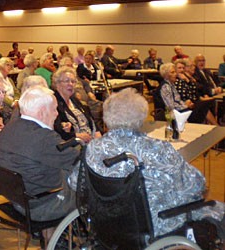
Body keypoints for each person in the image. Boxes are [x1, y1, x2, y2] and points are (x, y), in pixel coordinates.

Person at [69, 87, 225, 239]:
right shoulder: (158, 148)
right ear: (141, 117)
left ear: (106, 116)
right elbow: (196, 184)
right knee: (217, 209)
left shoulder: (92, 148)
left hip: (106, 225)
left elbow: (74, 182)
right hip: (154, 226)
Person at [0, 86, 78, 222]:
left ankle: (55, 238)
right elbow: (76, 159)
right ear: (42, 112)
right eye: (54, 109)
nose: (57, 114)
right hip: (42, 205)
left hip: (18, 200)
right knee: (93, 192)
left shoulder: (9, 128)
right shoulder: (44, 137)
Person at [53, 67, 101, 142]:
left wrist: (98, 134)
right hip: (76, 145)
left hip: (92, 141)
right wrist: (77, 136)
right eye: (67, 81)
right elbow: (58, 131)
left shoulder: (74, 100)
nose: (70, 84)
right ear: (57, 84)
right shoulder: (54, 104)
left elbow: (91, 120)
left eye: (73, 81)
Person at [174, 59, 217, 125]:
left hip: (191, 102)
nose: (182, 70)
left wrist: (188, 81)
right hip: (182, 107)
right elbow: (180, 97)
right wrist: (186, 103)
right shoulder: (176, 81)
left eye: (183, 68)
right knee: (203, 106)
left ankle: (213, 125)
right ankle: (215, 125)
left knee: (205, 105)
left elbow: (194, 90)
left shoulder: (185, 79)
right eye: (179, 68)